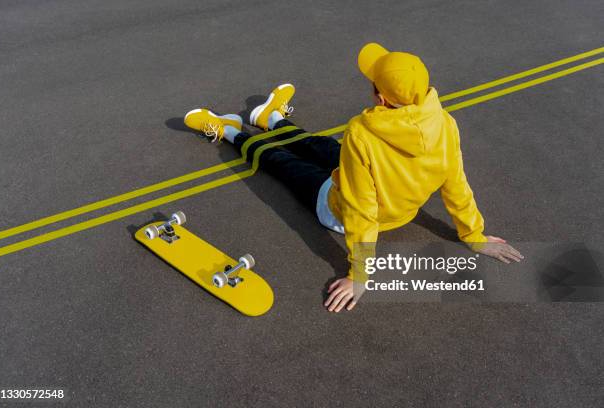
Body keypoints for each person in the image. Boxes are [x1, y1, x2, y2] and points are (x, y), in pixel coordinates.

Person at [183, 42, 523, 313]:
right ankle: (269, 118)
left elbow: (360, 209)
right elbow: (456, 185)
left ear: (382, 98)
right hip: (390, 204)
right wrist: (473, 235)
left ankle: (229, 131)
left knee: (280, 161)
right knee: (319, 145)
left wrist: (360, 275)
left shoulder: (363, 132)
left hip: (335, 209)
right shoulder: (444, 123)